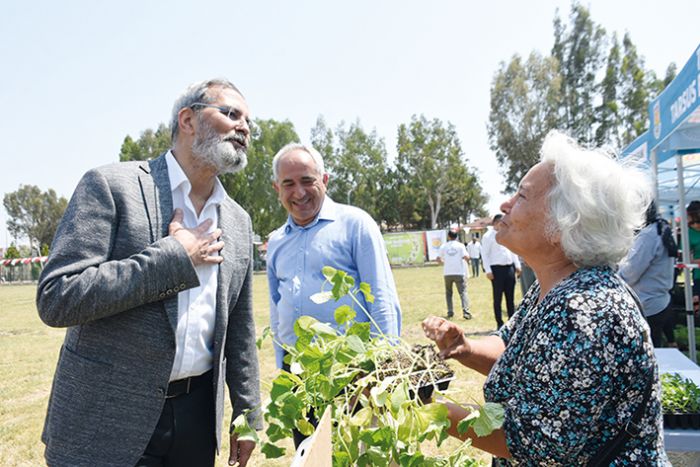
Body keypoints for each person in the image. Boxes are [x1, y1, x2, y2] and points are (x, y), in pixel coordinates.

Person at [36, 79, 261, 467]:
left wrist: (247, 413)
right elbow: (58, 297)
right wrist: (173, 258)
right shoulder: (111, 186)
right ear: (187, 119)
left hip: (196, 421)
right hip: (105, 419)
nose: (244, 127)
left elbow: (239, 327)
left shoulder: (238, 221)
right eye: (230, 114)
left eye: (249, 122)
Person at [422, 130, 667, 465]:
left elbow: (536, 441)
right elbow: (518, 354)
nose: (504, 205)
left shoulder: (586, 312)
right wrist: (466, 349)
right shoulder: (554, 286)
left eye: (521, 196)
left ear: (565, 221)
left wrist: (426, 408)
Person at [266, 143, 402, 445]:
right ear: (277, 188)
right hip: (299, 374)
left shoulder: (356, 224)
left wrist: (382, 374)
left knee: (355, 454)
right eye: (288, 184)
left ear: (324, 180)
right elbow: (276, 310)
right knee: (309, 453)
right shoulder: (276, 242)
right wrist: (282, 371)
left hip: (352, 367)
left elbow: (381, 299)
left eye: (307, 181)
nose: (299, 192)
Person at [619, 200, 678, 347]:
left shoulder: (649, 235)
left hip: (647, 303)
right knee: (655, 349)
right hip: (659, 301)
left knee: (647, 352)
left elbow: (630, 272)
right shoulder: (661, 228)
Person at [481, 215, 521, 328]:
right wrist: (488, 270)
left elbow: (512, 250)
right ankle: (499, 322)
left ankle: (512, 321)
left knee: (510, 296)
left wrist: (517, 265)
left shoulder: (507, 234)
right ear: (496, 223)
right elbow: (485, 254)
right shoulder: (488, 236)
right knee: (497, 297)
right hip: (496, 269)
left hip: (509, 267)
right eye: (501, 223)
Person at [437, 230, 472, 319]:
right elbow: (466, 256)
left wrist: (445, 262)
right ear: (456, 237)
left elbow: (438, 259)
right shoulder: (460, 246)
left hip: (447, 272)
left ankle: (450, 311)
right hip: (459, 272)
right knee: (463, 292)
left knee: (448, 293)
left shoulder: (443, 246)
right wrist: (467, 262)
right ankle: (466, 312)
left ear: (448, 236)